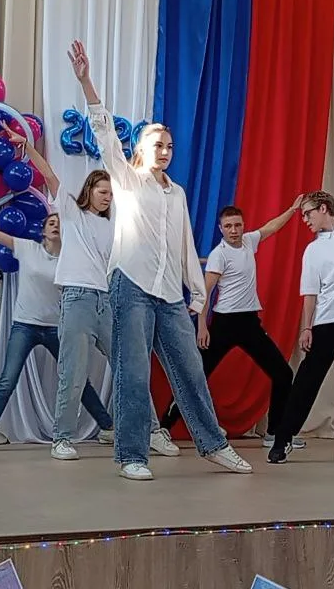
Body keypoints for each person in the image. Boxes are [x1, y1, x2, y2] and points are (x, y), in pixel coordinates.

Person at [72, 39, 251, 481]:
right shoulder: (128, 180)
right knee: (133, 374)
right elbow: (105, 135)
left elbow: (186, 245)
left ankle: (214, 445)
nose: (165, 150)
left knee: (190, 370)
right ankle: (131, 455)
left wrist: (198, 295)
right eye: (157, 143)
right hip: (130, 286)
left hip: (170, 293)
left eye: (169, 145)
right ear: (141, 148)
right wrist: (87, 83)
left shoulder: (178, 194)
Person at [8, 130, 181, 461]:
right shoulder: (71, 213)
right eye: (103, 192)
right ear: (89, 191)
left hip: (107, 302)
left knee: (131, 367)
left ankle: (151, 431)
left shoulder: (115, 224)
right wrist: (27, 146)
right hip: (77, 300)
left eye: (111, 194)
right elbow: (49, 175)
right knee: (73, 371)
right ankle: (62, 438)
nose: (107, 198)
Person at [0, 214, 114, 454]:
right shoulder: (27, 249)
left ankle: (107, 427)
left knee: (76, 379)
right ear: (43, 231)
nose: (56, 226)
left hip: (57, 327)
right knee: (7, 380)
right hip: (25, 326)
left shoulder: (71, 260)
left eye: (60, 223)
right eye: (51, 223)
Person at [159, 200, 302, 447]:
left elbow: (271, 227)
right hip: (224, 324)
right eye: (228, 226)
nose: (234, 230)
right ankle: (164, 427)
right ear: (221, 229)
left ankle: (274, 433)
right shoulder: (219, 255)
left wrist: (292, 210)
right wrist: (202, 326)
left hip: (249, 323)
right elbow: (205, 292)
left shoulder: (249, 242)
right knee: (195, 377)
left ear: (243, 226)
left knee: (283, 373)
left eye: (237, 225)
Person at [265, 191, 334, 475]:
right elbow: (310, 293)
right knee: (308, 380)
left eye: (308, 213)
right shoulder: (313, 250)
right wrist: (307, 327)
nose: (304, 219)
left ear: (324, 208)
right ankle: (283, 438)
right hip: (327, 319)